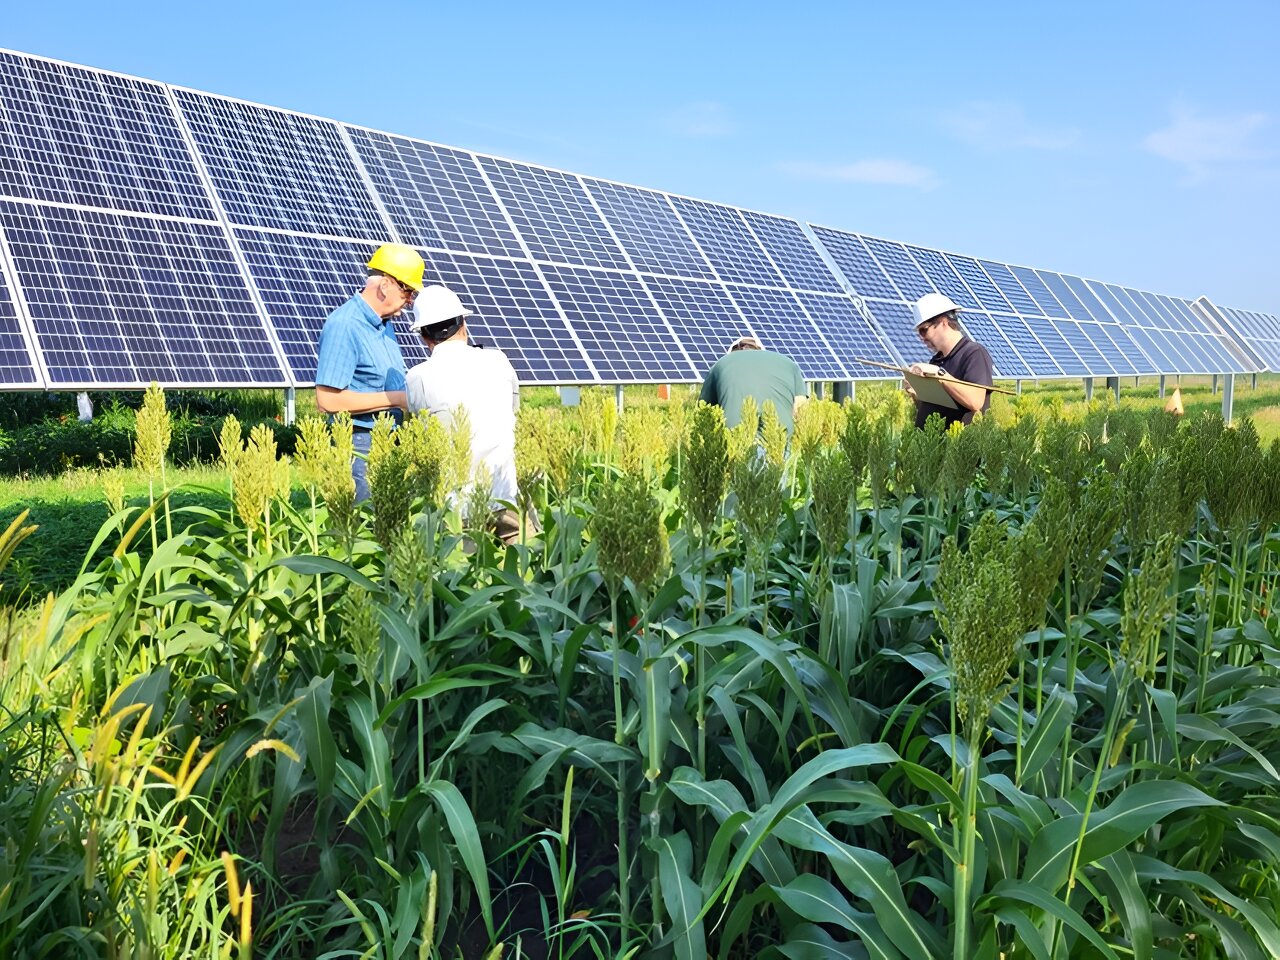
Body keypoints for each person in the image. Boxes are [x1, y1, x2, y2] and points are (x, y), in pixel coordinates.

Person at [405, 285, 536, 545]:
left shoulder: (416, 377)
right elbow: (513, 414)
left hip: (457, 509)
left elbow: (421, 434)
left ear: (424, 336)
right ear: (463, 323)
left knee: (466, 578)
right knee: (527, 566)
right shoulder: (499, 361)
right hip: (505, 493)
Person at [314, 243, 424, 501]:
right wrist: (396, 399)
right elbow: (327, 400)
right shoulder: (344, 325)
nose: (409, 302)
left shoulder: (384, 323)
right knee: (368, 529)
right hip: (359, 445)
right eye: (407, 292)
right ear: (385, 285)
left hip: (390, 439)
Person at [904, 293, 993, 429]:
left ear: (943, 322)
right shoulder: (937, 360)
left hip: (958, 445)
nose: (922, 338)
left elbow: (975, 402)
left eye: (924, 330)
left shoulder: (973, 353)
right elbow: (934, 409)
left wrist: (939, 375)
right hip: (936, 445)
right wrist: (917, 393)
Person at [699, 335, 808, 435]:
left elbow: (704, 410)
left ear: (732, 353)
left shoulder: (720, 364)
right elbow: (801, 406)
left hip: (736, 434)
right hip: (780, 432)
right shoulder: (789, 364)